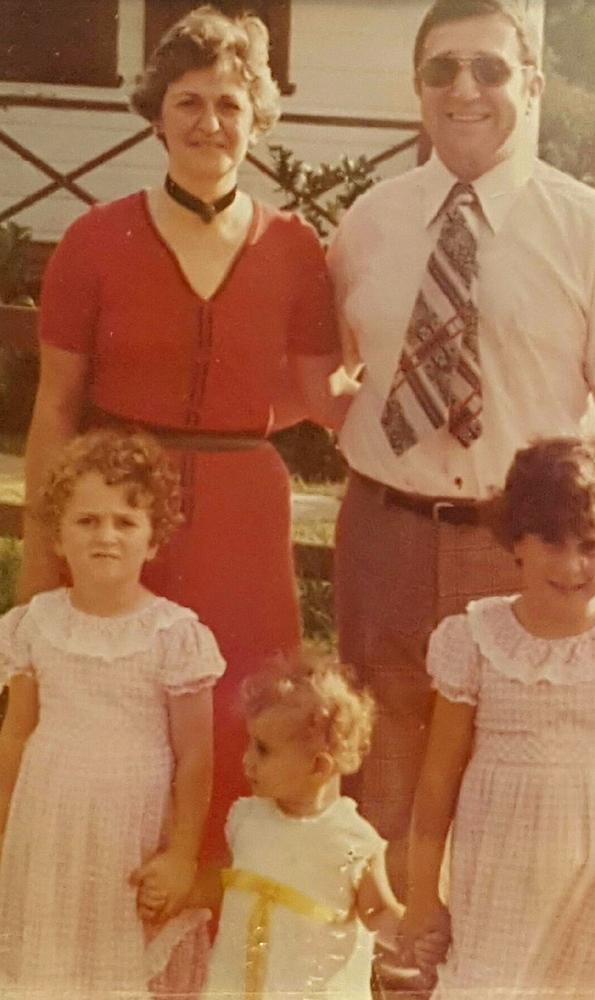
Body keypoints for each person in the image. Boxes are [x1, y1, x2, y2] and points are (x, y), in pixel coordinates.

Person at [327, 0, 595, 898]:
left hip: (523, 549)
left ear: (533, 86)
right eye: (443, 70)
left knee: (515, 778)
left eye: (493, 69)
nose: (466, 89)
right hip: (384, 530)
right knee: (381, 762)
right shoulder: (369, 222)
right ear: (418, 91)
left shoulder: (591, 229)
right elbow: (339, 377)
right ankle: (395, 964)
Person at [17, 4, 352, 860]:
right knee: (120, 711)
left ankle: (227, 923)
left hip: (245, 511)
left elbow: (313, 393)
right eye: (190, 102)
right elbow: (57, 405)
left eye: (231, 104)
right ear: (157, 115)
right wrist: (42, 549)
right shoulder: (94, 240)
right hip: (124, 509)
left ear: (258, 118)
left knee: (251, 709)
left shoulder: (295, 247)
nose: (211, 122)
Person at [402, 436, 595, 999]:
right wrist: (421, 896)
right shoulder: (475, 638)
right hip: (498, 868)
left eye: (591, 545)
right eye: (552, 542)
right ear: (517, 540)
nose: (571, 565)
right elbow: (438, 778)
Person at [0, 428, 226, 998]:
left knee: (115, 968)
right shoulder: (35, 625)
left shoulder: (174, 635)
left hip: (132, 831)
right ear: (58, 536)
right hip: (45, 826)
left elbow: (195, 756)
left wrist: (179, 856)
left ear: (153, 541)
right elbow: (15, 734)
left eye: (125, 523)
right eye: (87, 521)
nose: (106, 536)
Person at [136, 656, 405, 999]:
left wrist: (411, 935)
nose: (247, 758)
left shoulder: (351, 839)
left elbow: (378, 911)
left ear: (318, 767)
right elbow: (228, 880)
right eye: (250, 743)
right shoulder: (249, 818)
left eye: (263, 750)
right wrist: (183, 892)